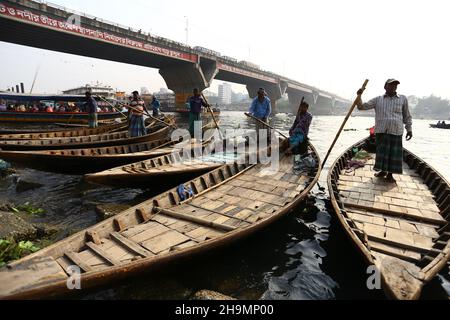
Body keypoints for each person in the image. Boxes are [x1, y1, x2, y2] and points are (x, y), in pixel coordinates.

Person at [356, 79, 413, 183]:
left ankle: (390, 175)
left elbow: (407, 115)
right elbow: (361, 107)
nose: (393, 87)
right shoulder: (378, 99)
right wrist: (359, 96)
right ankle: (382, 171)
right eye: (391, 85)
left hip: (396, 130)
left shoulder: (403, 99)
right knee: (382, 152)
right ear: (385, 87)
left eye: (395, 85)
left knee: (393, 154)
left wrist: (409, 129)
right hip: (382, 130)